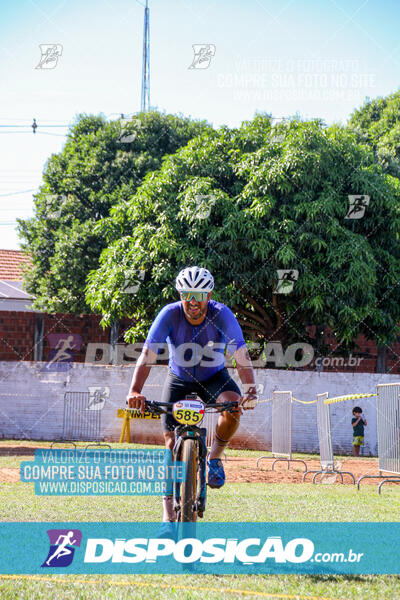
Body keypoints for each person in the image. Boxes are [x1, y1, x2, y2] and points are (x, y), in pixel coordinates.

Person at [126, 266, 258, 523]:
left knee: (233, 407)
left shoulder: (222, 314)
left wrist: (250, 390)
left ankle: (215, 457)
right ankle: (166, 517)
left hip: (214, 376)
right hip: (179, 379)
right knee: (168, 445)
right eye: (187, 293)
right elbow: (148, 355)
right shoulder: (169, 314)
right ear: (180, 294)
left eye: (199, 294)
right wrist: (134, 391)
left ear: (209, 295)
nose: (193, 301)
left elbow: (241, 353)